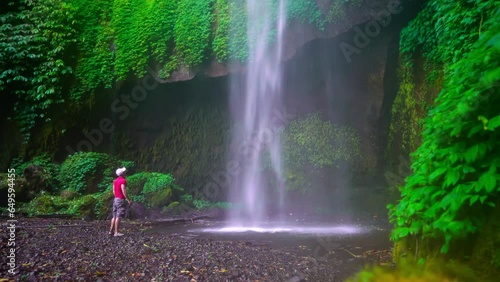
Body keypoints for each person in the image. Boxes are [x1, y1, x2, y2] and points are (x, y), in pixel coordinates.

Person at [109, 167, 131, 236]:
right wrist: (128, 199)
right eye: (124, 172)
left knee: (114, 216)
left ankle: (111, 231)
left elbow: (113, 190)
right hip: (120, 199)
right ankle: (116, 232)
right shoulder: (123, 181)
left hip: (115, 199)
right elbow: (123, 190)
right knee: (118, 216)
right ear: (122, 173)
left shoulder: (115, 181)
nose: (125, 173)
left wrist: (116, 196)